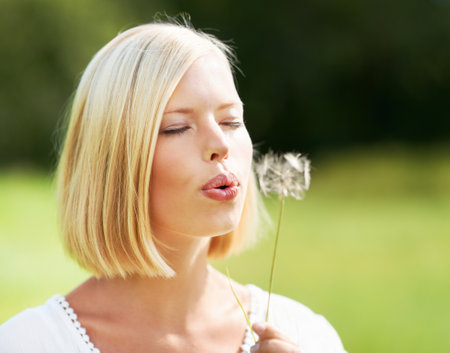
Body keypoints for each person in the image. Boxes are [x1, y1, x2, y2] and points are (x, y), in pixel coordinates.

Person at [0, 20, 347, 353]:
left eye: (231, 121)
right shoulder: (27, 344)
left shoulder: (305, 334)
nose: (221, 144)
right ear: (115, 162)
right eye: (177, 127)